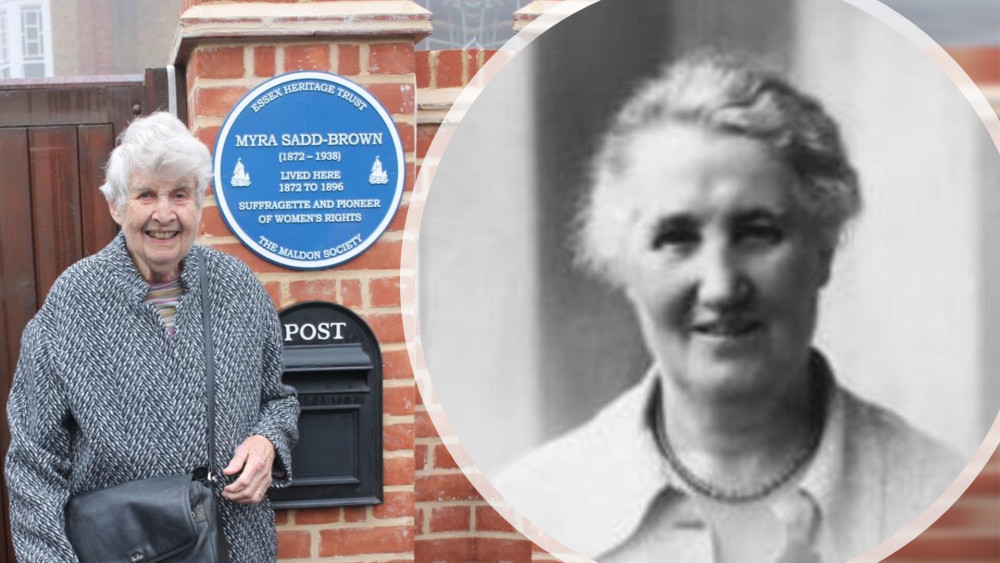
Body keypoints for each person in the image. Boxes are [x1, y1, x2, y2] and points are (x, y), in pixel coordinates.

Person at [495, 53, 964, 563]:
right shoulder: (528, 509)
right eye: (676, 237)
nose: (720, 287)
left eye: (758, 232)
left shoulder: (943, 498)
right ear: (622, 266)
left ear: (823, 252)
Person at [5, 112, 299, 561]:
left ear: (198, 203)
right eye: (146, 195)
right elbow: (33, 460)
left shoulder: (237, 286)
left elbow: (279, 399)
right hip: (127, 550)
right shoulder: (73, 301)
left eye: (179, 194)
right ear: (117, 206)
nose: (165, 214)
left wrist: (267, 444)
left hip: (236, 545)